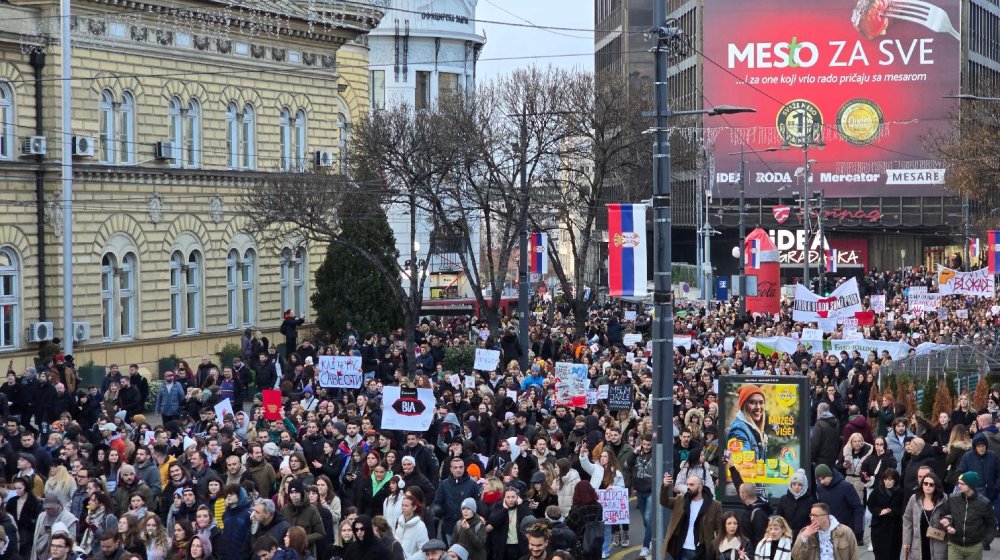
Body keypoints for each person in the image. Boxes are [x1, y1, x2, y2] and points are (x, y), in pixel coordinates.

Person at [934, 471, 997, 559]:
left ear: (970, 485)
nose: (958, 486)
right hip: (954, 545)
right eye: (958, 483)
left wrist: (984, 543)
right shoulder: (952, 499)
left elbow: (992, 524)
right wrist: (948, 526)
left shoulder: (984, 503)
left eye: (962, 484)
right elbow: (943, 514)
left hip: (974, 548)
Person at [660, 473, 722, 560]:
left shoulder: (714, 505)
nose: (688, 487)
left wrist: (717, 546)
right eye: (687, 484)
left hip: (702, 551)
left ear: (700, 488)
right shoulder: (681, 500)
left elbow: (720, 529)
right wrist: (665, 487)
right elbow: (664, 502)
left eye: (692, 485)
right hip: (683, 548)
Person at [725, 385, 768, 495]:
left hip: (751, 490)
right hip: (744, 492)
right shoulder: (739, 429)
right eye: (753, 402)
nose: (758, 407)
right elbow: (743, 464)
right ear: (744, 405)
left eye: (761, 402)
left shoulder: (755, 430)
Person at [902, 471, 946, 560]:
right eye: (925, 483)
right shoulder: (914, 499)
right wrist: (906, 541)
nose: (928, 486)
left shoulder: (943, 500)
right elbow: (907, 519)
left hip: (937, 542)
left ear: (936, 486)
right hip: (918, 542)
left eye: (931, 484)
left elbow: (950, 517)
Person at [813, 465, 863, 544]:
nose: (822, 482)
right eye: (819, 480)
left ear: (830, 475)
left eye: (823, 478)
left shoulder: (846, 487)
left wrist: (858, 529)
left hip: (845, 529)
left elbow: (857, 508)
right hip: (827, 531)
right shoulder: (820, 489)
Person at [790, 503, 858, 560]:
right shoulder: (806, 533)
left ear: (826, 516)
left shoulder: (845, 531)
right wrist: (803, 538)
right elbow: (796, 557)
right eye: (811, 515)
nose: (812, 518)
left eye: (816, 515)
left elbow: (854, 555)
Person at [865, 468, 903, 560]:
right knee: (879, 554)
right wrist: (879, 511)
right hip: (879, 528)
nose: (887, 482)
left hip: (894, 529)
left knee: (894, 554)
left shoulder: (900, 492)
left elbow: (903, 508)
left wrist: (891, 511)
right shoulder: (877, 491)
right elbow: (870, 504)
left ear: (895, 480)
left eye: (890, 479)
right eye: (885, 479)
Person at [485, 487, 529, 560]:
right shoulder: (498, 506)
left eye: (513, 497)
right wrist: (504, 510)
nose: (510, 500)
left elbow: (529, 519)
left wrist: (520, 506)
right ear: (504, 498)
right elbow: (492, 521)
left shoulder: (522, 507)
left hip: (519, 545)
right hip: (503, 546)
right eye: (508, 497)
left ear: (517, 497)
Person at [565, 481, 603, 560]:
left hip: (581, 544)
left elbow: (569, 525)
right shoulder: (598, 506)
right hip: (596, 541)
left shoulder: (576, 509)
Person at [776, 469, 815, 541]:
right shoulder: (783, 499)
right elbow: (778, 518)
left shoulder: (811, 501)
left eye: (800, 485)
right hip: (786, 537)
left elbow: (812, 521)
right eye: (794, 484)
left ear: (804, 486)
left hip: (804, 537)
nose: (796, 487)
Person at [393, 495, 429, 560]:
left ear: (414, 507)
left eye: (406, 506)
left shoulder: (420, 525)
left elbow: (424, 550)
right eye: (402, 505)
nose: (403, 508)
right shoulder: (399, 522)